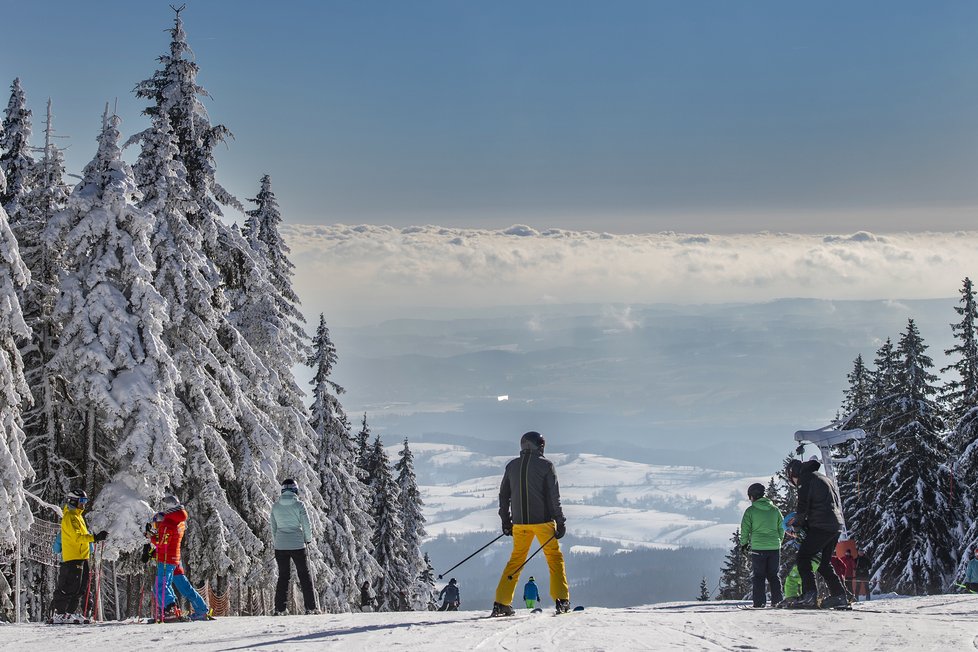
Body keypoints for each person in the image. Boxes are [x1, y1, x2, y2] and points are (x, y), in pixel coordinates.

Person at [492, 431, 570, 617]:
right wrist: (560, 522)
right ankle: (562, 600)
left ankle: (501, 602)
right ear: (540, 446)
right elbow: (554, 498)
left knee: (516, 560)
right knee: (554, 558)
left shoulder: (511, 466)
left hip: (520, 524)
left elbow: (504, 496)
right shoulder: (546, 465)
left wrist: (506, 521)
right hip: (543, 522)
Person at [782, 459, 849, 609]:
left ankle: (809, 595)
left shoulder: (805, 479)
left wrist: (797, 527)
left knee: (804, 558)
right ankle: (839, 596)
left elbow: (803, 506)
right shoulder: (822, 477)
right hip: (835, 525)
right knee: (824, 564)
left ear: (793, 473)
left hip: (822, 526)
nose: (792, 482)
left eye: (790, 478)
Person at [150, 495, 213, 621]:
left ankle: (170, 609)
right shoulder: (178, 520)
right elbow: (170, 540)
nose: (156, 528)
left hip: (167, 558)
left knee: (160, 586)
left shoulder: (168, 523)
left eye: (156, 525)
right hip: (175, 559)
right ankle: (200, 609)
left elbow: (163, 543)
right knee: (183, 586)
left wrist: (151, 537)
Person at [49, 490, 108, 624]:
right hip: (72, 557)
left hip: (82, 556)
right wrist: (94, 538)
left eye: (85, 502)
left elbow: (83, 535)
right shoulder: (70, 517)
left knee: (80, 587)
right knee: (69, 586)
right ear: (74, 501)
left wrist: (93, 541)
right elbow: (77, 537)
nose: (84, 505)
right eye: (82, 502)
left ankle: (69, 613)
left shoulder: (79, 517)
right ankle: (60, 613)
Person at [271, 479, 319, 615]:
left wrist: (278, 543)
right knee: (304, 575)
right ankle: (310, 607)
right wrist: (308, 540)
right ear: (295, 490)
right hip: (297, 544)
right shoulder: (299, 505)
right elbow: (306, 524)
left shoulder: (275, 506)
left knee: (283, 576)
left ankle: (280, 609)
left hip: (280, 546)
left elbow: (273, 528)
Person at [739, 482, 784, 608]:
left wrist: (744, 545)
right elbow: (782, 528)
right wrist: (779, 540)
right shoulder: (775, 510)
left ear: (752, 496)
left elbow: (745, 529)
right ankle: (777, 601)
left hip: (758, 548)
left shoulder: (751, 511)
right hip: (775, 547)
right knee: (774, 576)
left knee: (759, 576)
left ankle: (759, 602)